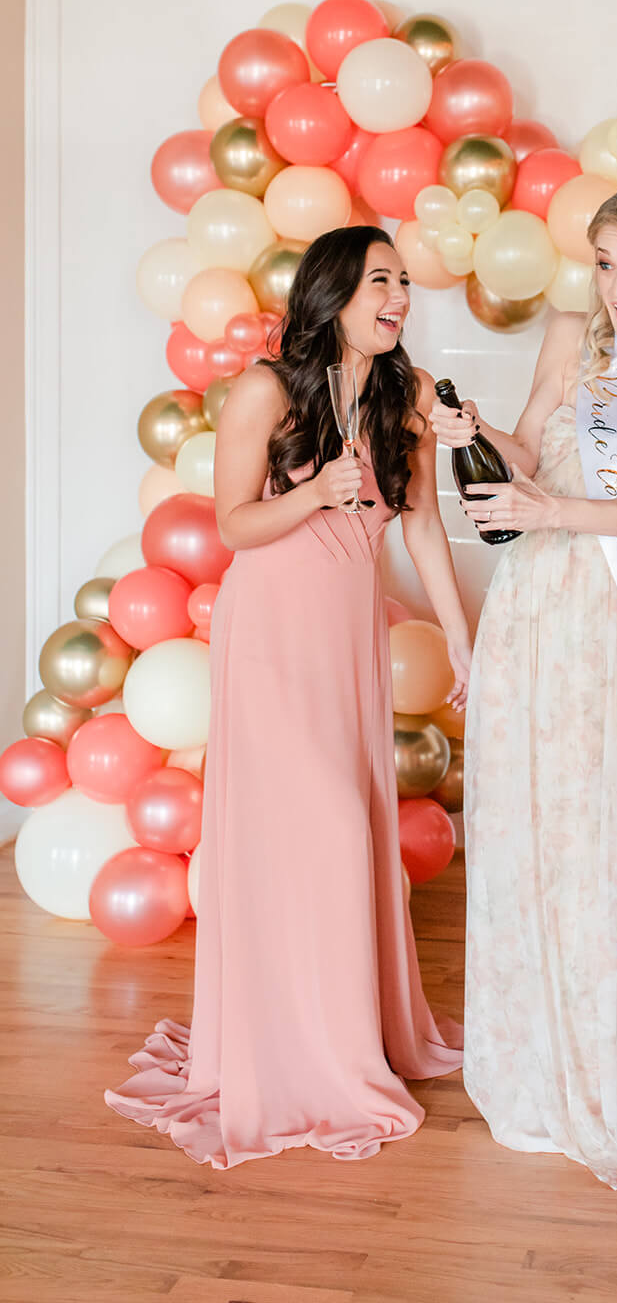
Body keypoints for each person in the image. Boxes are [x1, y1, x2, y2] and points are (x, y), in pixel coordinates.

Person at [106, 226, 468, 1168]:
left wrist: (470, 646)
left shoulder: (407, 396)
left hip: (347, 650)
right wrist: (316, 493)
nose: (397, 297)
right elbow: (234, 522)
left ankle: (341, 1037)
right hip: (270, 646)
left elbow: (425, 533)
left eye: (402, 282)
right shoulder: (266, 389)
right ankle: (310, 1057)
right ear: (333, 292)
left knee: (348, 839)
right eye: (379, 280)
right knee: (325, 833)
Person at [432, 186, 617, 1189]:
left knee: (597, 829)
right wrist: (477, 430)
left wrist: (547, 505)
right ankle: (529, 1053)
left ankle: (612, 1055)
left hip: (607, 621)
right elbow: (525, 447)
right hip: (530, 611)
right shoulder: (572, 335)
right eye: (604, 261)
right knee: (527, 822)